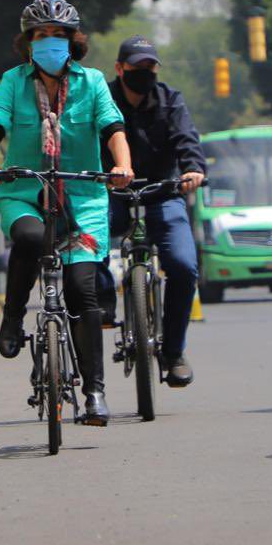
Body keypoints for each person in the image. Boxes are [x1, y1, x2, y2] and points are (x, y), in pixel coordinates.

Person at [0, 0, 133, 425]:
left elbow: (112, 127)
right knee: (27, 238)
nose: (49, 42)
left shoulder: (93, 82)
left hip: (84, 199)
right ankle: (12, 319)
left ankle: (95, 393)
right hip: (24, 192)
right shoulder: (13, 81)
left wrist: (122, 164)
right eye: (40, 35)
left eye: (57, 35)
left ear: (71, 40)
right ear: (28, 43)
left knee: (83, 289)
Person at [97, 35, 207, 388]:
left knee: (184, 266)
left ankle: (173, 352)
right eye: (136, 67)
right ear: (119, 69)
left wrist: (192, 169)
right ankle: (103, 301)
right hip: (110, 191)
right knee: (88, 238)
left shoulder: (170, 99)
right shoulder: (102, 98)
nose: (144, 74)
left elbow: (186, 139)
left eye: (150, 67)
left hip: (162, 191)